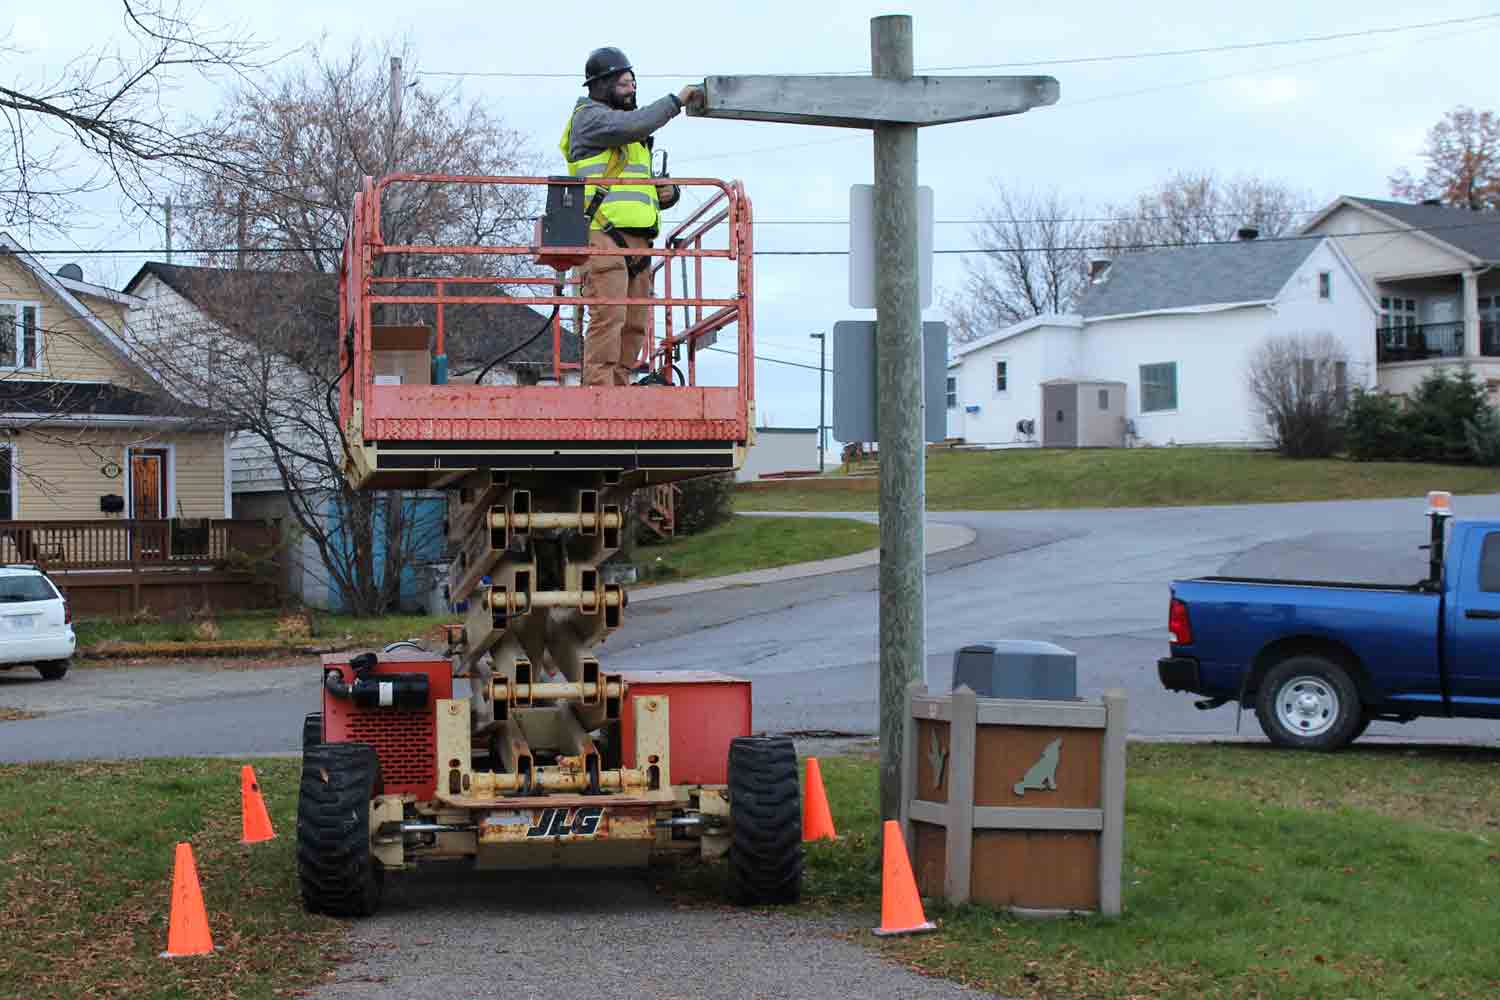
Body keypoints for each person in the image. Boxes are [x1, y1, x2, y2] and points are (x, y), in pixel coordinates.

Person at [559, 47, 702, 386]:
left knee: (635, 323)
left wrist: (667, 194)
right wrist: (676, 101)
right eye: (622, 83)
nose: (631, 88)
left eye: (632, 82)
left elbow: (636, 187)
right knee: (609, 317)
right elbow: (634, 123)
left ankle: (619, 391)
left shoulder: (633, 138)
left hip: (638, 241)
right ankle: (599, 394)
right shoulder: (590, 118)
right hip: (602, 234)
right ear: (598, 86)